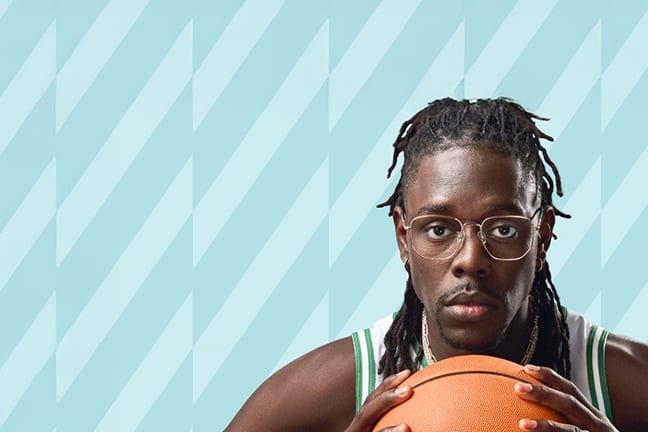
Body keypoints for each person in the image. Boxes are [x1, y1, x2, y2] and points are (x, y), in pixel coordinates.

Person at [226, 98, 648, 431]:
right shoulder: (338, 386)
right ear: (403, 237)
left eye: (502, 229)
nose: (470, 261)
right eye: (439, 230)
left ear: (541, 236)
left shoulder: (611, 376)